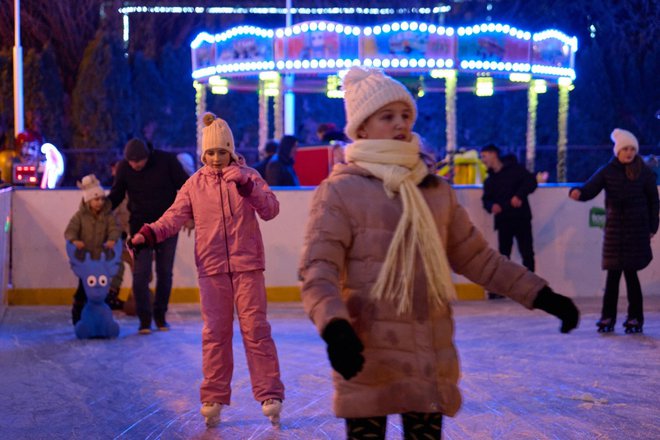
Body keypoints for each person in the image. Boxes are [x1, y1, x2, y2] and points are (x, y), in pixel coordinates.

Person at [298, 67, 579, 440]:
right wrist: (335, 328)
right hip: (367, 350)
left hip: (426, 352)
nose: (400, 123)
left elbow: (479, 258)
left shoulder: (434, 190)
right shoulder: (341, 191)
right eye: (387, 116)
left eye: (405, 115)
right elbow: (319, 269)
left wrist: (541, 294)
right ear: (362, 127)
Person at [129, 113, 285, 428]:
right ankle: (213, 396)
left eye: (221, 152)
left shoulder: (248, 176)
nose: (216, 158)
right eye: (210, 153)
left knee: (256, 330)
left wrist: (246, 187)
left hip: (247, 267)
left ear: (230, 150)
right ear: (203, 154)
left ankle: (269, 393)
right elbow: (172, 218)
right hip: (211, 268)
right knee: (215, 334)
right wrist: (148, 233)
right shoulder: (194, 185)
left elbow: (270, 209)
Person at [569, 128, 658, 333]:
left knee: (632, 276)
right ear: (617, 151)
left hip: (636, 231)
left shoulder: (643, 172)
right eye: (625, 149)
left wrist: (652, 227)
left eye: (632, 149)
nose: (629, 153)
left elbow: (654, 201)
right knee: (612, 278)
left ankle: (635, 318)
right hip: (615, 232)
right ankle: (607, 317)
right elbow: (590, 188)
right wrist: (578, 192)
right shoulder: (607, 171)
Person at [108, 138, 189, 334]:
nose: (135, 165)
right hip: (139, 229)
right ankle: (144, 320)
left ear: (148, 156)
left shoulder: (167, 161)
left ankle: (160, 317)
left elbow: (187, 188)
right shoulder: (124, 168)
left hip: (168, 226)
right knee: (140, 274)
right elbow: (116, 194)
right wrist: (98, 211)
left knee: (164, 272)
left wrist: (189, 214)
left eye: (139, 161)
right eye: (131, 162)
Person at [480, 145, 538, 299]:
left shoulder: (515, 170)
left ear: (494, 154)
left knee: (527, 253)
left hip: (521, 218)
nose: (483, 160)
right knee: (503, 256)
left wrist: (519, 195)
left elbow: (531, 181)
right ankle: (501, 289)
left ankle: (532, 288)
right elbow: (486, 200)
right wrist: (492, 206)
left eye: (484, 156)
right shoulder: (490, 180)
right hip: (503, 221)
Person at [64, 174, 122, 324]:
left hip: (102, 261)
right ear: (88, 200)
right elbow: (70, 231)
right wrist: (75, 240)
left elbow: (115, 229)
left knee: (101, 290)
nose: (100, 202)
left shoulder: (108, 216)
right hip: (85, 262)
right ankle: (78, 318)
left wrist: (112, 239)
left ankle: (101, 318)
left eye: (102, 199)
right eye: (96, 199)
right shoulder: (80, 217)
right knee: (83, 290)